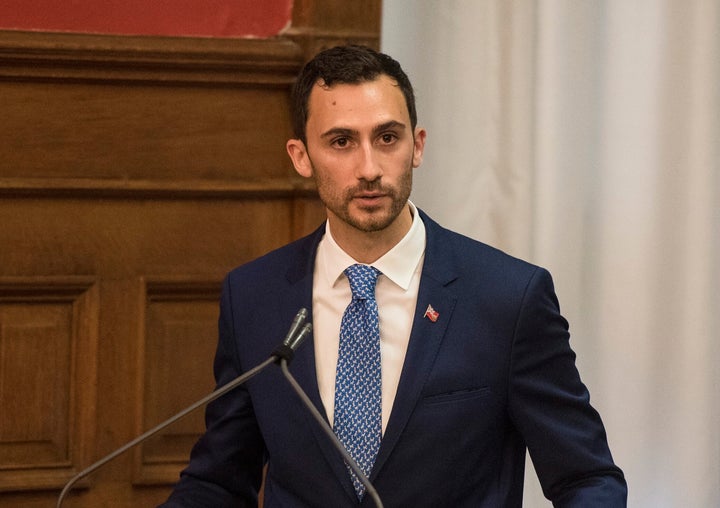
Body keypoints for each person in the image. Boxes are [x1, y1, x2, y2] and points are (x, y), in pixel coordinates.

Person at [161, 44, 627, 507]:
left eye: (387, 138)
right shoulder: (254, 297)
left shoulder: (507, 298)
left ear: (417, 145)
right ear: (301, 156)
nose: (369, 169)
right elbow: (218, 483)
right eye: (341, 142)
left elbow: (587, 479)